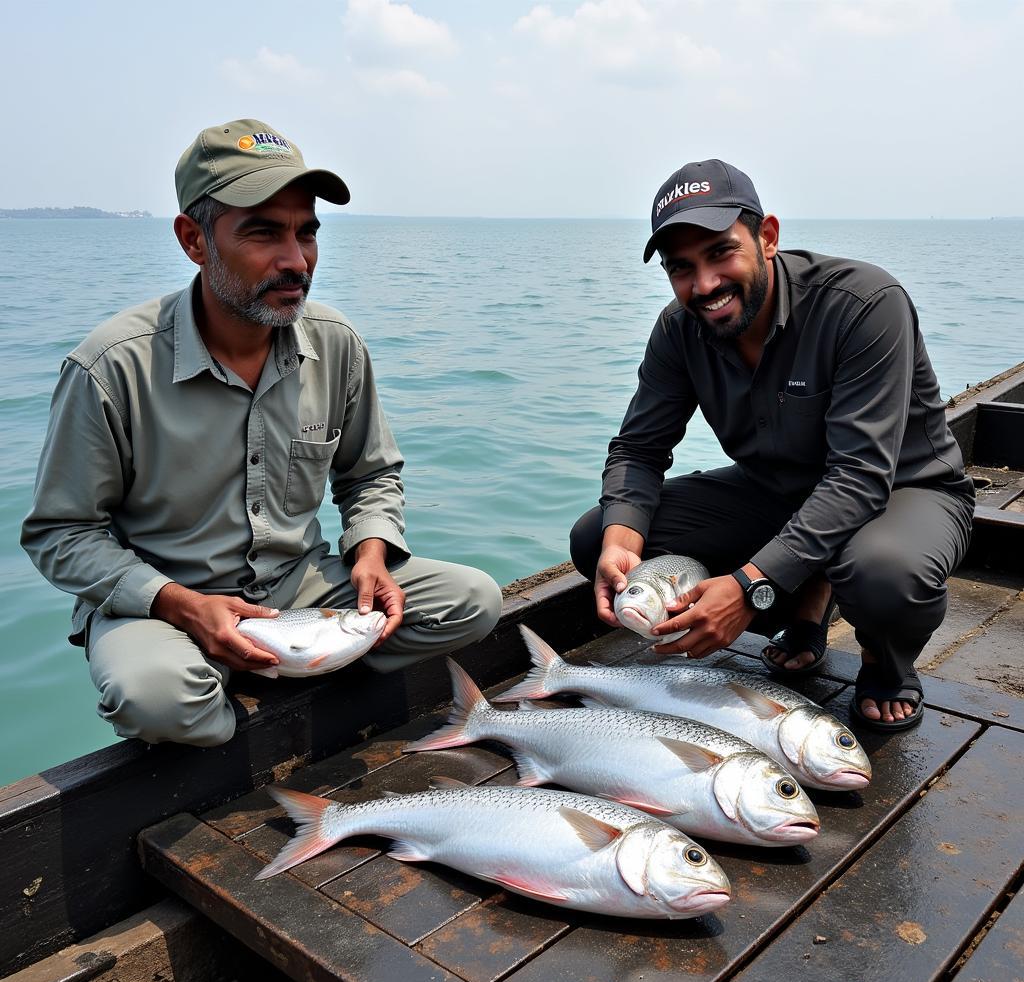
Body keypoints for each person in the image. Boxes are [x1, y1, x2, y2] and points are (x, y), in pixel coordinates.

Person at [22, 118, 502, 748]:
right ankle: (255, 711)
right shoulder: (113, 366)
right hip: (169, 605)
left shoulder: (336, 346)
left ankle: (286, 671)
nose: (295, 260)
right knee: (156, 699)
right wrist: (176, 602)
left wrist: (371, 552)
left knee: (473, 602)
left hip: (298, 586)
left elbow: (371, 474)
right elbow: (61, 532)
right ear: (195, 240)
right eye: (263, 233)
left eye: (307, 233)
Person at [569, 159, 974, 732]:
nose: (704, 285)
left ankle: (887, 663)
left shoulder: (863, 302)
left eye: (720, 253)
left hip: (903, 489)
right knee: (596, 538)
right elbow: (639, 449)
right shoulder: (678, 330)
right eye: (681, 268)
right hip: (779, 491)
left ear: (767, 237)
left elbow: (859, 476)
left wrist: (747, 585)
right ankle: (808, 593)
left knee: (884, 575)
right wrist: (620, 539)